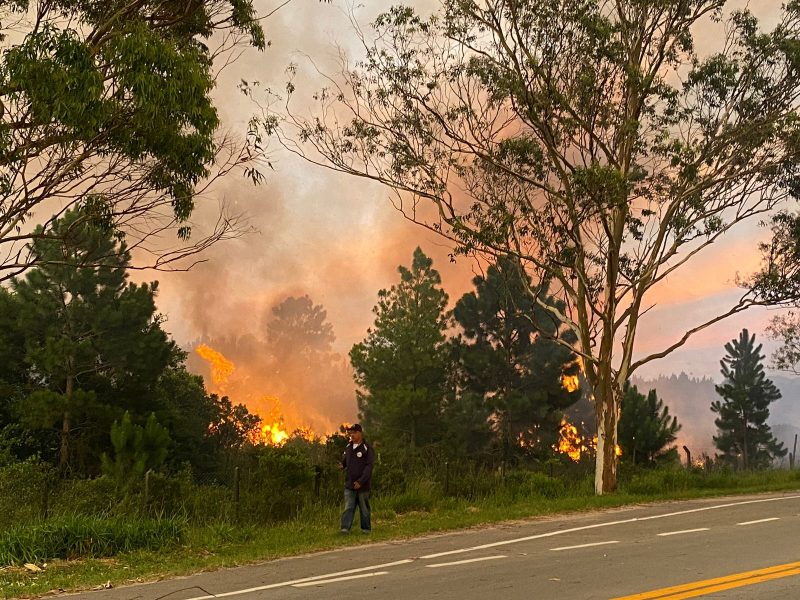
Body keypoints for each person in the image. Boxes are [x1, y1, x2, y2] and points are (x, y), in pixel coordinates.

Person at [339, 423, 374, 534]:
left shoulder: (367, 448)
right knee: (348, 507)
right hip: (349, 484)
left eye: (354, 433)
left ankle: (366, 529)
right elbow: (345, 461)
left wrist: (361, 481)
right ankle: (345, 528)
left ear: (360, 433)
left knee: (364, 508)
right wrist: (342, 465)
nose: (352, 435)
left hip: (362, 486)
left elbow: (369, 467)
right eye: (351, 433)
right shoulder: (348, 447)